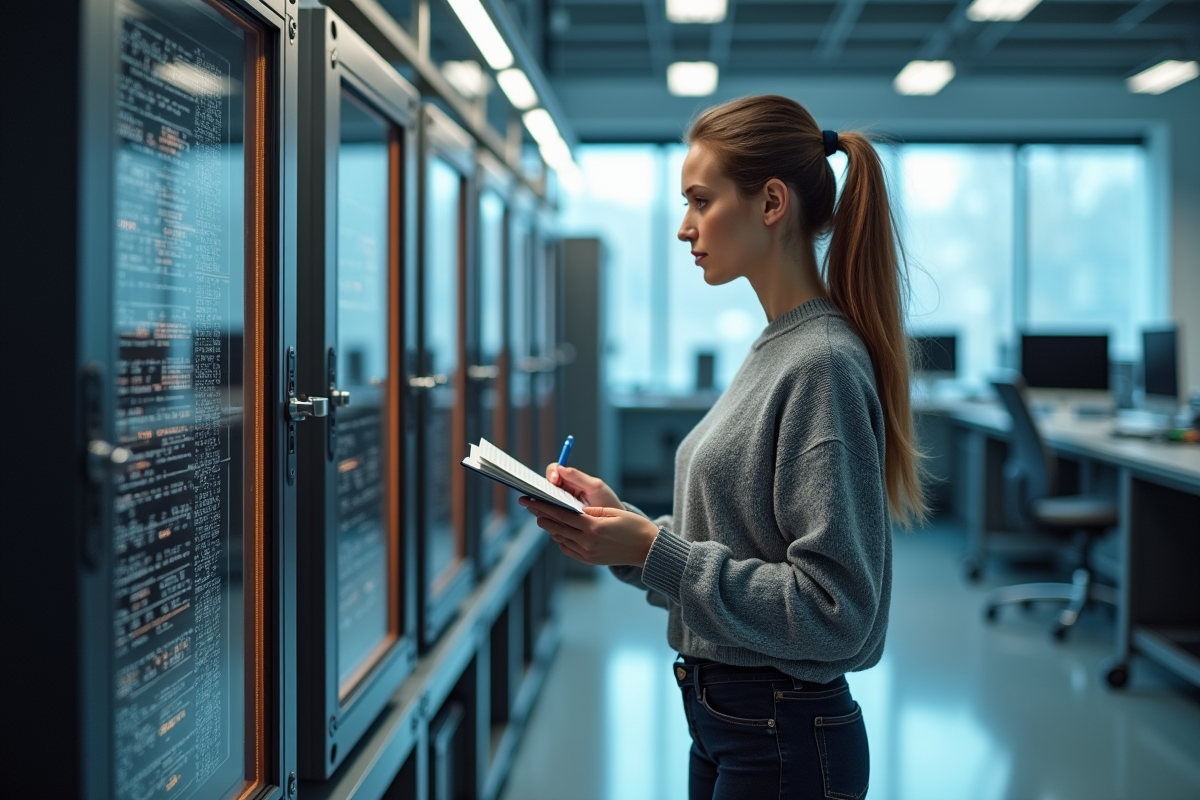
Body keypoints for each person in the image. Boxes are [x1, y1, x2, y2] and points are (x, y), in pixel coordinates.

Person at [517, 94, 924, 800]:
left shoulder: (820, 362)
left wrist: (652, 551)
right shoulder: (778, 347)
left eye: (701, 201)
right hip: (730, 721)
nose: (684, 228)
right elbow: (745, 540)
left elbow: (836, 612)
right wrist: (628, 531)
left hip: (782, 733)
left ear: (771, 203)